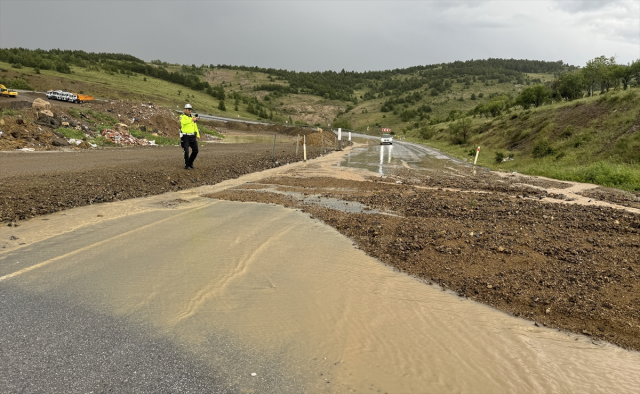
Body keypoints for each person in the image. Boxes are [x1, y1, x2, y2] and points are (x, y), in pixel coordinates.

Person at [180, 103, 199, 169]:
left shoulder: (192, 117)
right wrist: (191, 120)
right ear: (185, 109)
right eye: (188, 109)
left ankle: (190, 162)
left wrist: (198, 135)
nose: (190, 111)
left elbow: (195, 126)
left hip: (192, 136)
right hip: (185, 136)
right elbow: (183, 122)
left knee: (196, 150)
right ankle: (187, 165)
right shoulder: (182, 116)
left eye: (191, 110)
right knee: (186, 151)